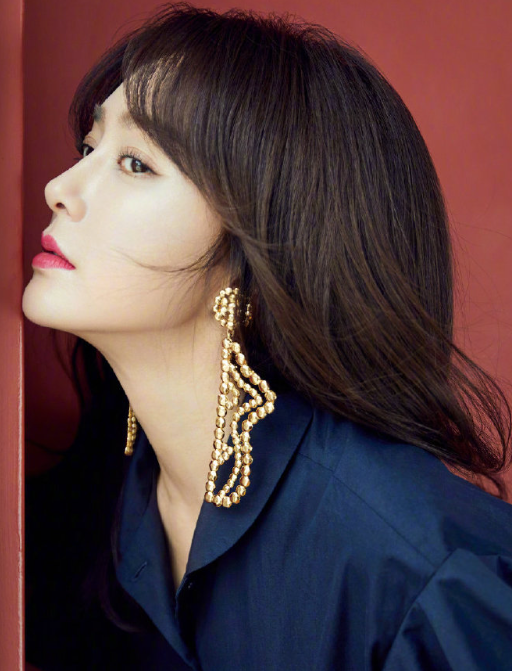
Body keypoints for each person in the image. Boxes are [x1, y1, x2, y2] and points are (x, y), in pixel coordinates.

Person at [23, 3, 512, 670]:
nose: (60, 188)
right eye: (89, 149)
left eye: (135, 163)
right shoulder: (97, 497)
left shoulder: (417, 575)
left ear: (254, 253)